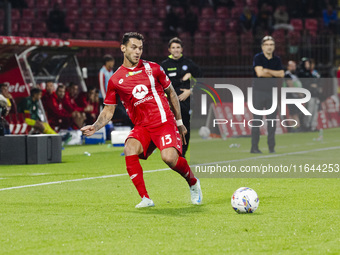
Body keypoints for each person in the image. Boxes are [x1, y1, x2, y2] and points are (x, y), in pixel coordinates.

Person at [81, 32, 202, 208]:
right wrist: (95, 126)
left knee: (169, 158)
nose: (137, 52)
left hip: (163, 121)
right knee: (129, 147)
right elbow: (108, 110)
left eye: (140, 48)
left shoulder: (153, 69)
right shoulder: (115, 80)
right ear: (123, 48)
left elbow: (172, 94)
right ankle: (146, 198)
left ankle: (193, 182)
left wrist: (179, 122)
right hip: (143, 126)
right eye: (133, 47)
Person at [161, 37, 202, 157]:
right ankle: (171, 149)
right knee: (169, 126)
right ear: (169, 50)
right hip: (169, 101)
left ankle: (183, 152)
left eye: (178, 47)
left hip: (185, 101)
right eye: (173, 48)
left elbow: (202, 79)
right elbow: (159, 84)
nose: (176, 50)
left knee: (185, 125)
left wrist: (191, 91)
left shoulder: (189, 63)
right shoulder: (164, 65)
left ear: (182, 49)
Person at [251, 36, 284, 154]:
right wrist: (273, 72)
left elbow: (281, 74)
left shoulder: (277, 59)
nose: (269, 47)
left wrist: (267, 71)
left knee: (272, 121)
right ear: (262, 47)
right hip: (258, 92)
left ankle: (271, 147)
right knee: (257, 120)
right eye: (267, 44)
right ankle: (254, 147)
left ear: (274, 46)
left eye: (271, 44)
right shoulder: (258, 57)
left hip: (272, 93)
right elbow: (259, 73)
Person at [297, 58, 320, 131]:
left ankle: (312, 126)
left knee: (314, 111)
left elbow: (318, 82)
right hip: (308, 94)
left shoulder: (313, 73)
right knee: (308, 110)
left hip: (315, 94)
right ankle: (306, 126)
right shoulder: (302, 72)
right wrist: (311, 85)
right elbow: (305, 83)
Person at [283, 60, 303, 131]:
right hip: (290, 96)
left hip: (295, 96)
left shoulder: (294, 75)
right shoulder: (287, 75)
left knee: (295, 112)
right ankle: (295, 127)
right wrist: (299, 93)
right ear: (288, 67)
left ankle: (296, 127)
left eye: (294, 66)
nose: (293, 68)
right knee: (293, 112)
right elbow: (290, 86)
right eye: (291, 66)